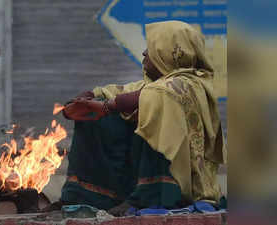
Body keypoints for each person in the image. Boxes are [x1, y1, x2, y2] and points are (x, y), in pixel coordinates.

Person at [44, 20, 226, 217]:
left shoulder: (190, 84)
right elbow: (114, 92)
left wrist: (107, 106)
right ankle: (87, 196)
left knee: (153, 110)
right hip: (137, 169)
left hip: (185, 183)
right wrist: (84, 101)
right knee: (96, 119)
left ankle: (149, 196)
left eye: (152, 48)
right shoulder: (152, 85)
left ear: (169, 52)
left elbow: (157, 95)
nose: (145, 54)